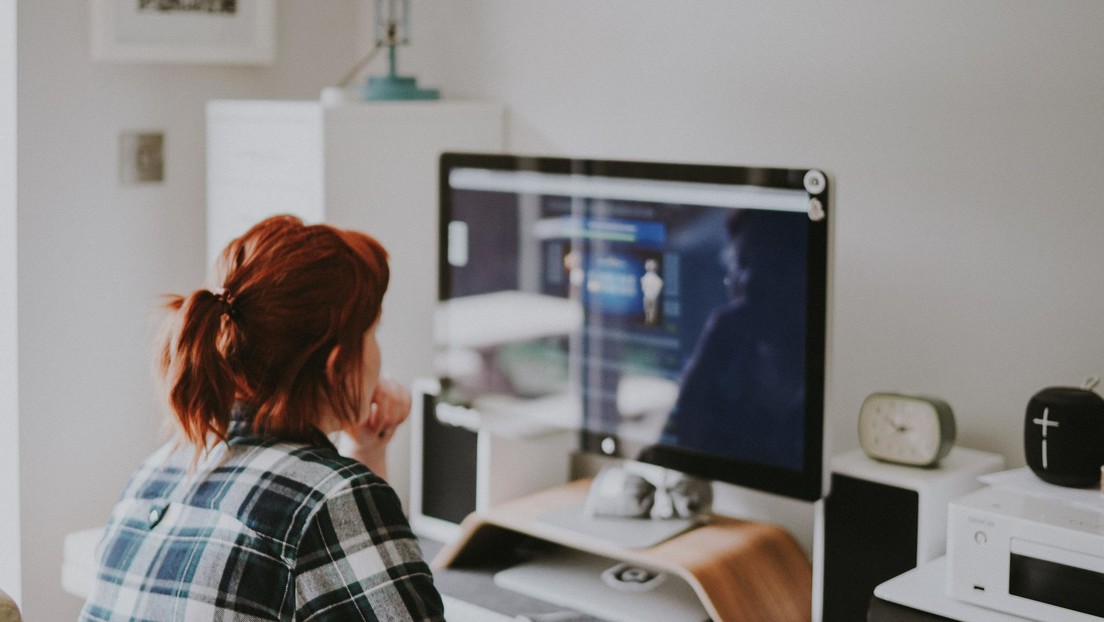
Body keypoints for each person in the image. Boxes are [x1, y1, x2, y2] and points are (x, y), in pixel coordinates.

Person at [79, 215, 446, 621]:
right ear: (339, 365)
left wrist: (366, 447)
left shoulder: (157, 471)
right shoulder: (330, 499)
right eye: (373, 332)